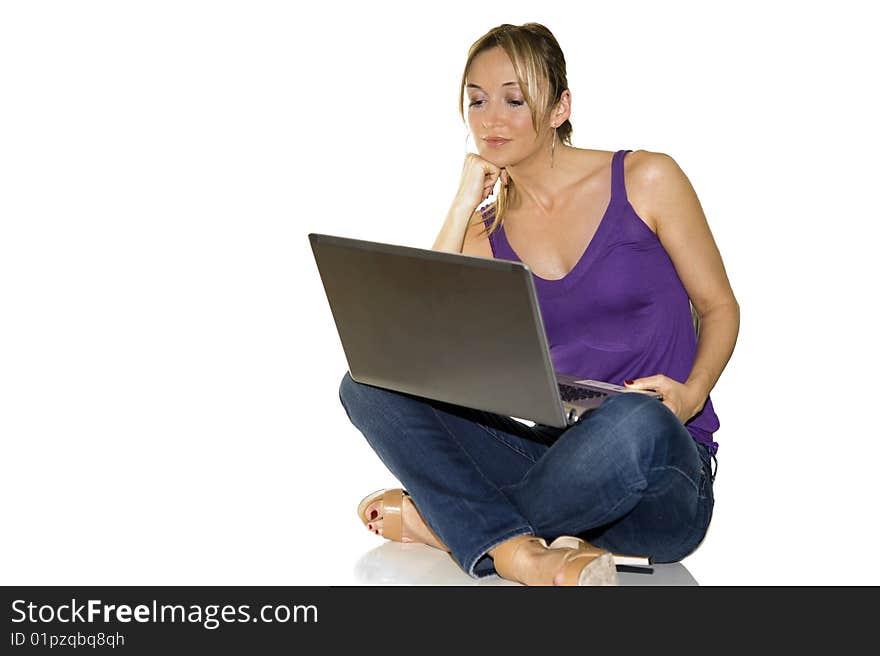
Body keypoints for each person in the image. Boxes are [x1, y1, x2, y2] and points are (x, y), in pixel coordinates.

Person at [338, 22, 739, 586]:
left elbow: (719, 307)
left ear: (559, 107)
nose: (490, 118)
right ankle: (521, 549)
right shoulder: (486, 231)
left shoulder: (648, 179)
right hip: (558, 457)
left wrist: (691, 395)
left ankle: (450, 528)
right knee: (368, 384)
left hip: (663, 470)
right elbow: (416, 353)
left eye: (513, 99)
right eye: (475, 101)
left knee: (634, 418)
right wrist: (461, 204)